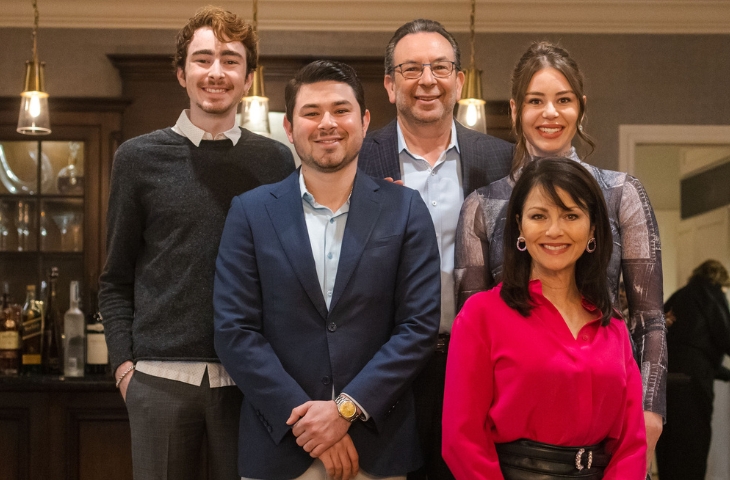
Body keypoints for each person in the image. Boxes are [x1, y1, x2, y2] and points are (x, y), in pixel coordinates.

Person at [213, 60, 441, 480]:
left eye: (341, 110)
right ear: (288, 127)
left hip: (377, 446)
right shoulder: (250, 212)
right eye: (311, 112)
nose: (327, 124)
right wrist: (307, 422)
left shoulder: (405, 210)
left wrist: (345, 410)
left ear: (365, 119)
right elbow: (234, 331)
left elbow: (418, 326)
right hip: (279, 447)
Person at [98, 6, 295, 480]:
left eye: (230, 60)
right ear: (182, 72)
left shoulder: (277, 162)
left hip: (251, 382)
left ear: (248, 77)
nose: (216, 72)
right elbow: (115, 277)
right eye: (203, 59)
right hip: (158, 380)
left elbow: (289, 276)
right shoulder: (137, 158)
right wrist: (125, 368)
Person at [454, 41, 666, 475]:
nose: (550, 112)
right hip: (521, 417)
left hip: (607, 394)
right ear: (515, 109)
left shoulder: (621, 193)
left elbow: (650, 319)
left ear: (581, 108)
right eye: (536, 101)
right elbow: (469, 328)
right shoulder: (482, 204)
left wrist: (648, 413)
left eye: (563, 100)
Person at [358, 19, 513, 479]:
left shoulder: (501, 159)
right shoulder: (359, 162)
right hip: (380, 366)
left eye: (441, 67)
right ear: (389, 85)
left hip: (476, 367)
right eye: (411, 69)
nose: (427, 81)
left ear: (459, 81)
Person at [444, 158, 647, 479]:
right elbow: (461, 439)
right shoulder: (481, 316)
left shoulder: (614, 327)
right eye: (539, 216)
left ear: (593, 227)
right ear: (519, 226)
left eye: (571, 215)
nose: (555, 230)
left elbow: (632, 444)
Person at [655, 260, 730, 480]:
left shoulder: (678, 296)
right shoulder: (712, 294)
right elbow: (724, 337)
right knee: (693, 447)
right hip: (694, 382)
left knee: (669, 445)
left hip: (666, 380)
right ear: (719, 279)